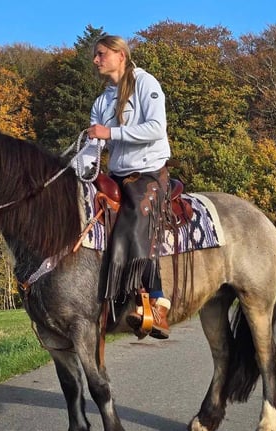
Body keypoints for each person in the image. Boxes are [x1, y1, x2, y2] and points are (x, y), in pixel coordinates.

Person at [85, 34, 172, 339]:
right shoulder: (101, 102)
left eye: (101, 54)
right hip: (116, 175)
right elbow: (92, 149)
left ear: (120, 54)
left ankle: (158, 303)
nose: (96, 60)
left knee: (134, 219)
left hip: (148, 172)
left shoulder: (145, 83)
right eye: (95, 55)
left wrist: (110, 132)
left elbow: (156, 128)